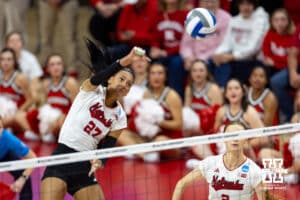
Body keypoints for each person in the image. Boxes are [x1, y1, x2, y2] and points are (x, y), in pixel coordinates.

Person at [41, 41, 148, 200]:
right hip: (61, 159)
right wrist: (127, 59)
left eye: (129, 84)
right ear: (110, 79)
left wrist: (100, 161)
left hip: (84, 166)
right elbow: (101, 76)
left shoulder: (120, 116)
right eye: (121, 79)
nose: (124, 85)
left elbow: (107, 147)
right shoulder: (90, 91)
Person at [172, 122, 266, 200]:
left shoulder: (254, 171)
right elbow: (181, 184)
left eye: (239, 135)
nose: (235, 139)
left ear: (245, 140)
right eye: (231, 135)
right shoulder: (210, 163)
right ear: (224, 139)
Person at [118, 62, 183, 162]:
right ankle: (145, 156)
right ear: (148, 76)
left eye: (160, 73)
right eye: (153, 73)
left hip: (168, 139)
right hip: (150, 139)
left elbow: (178, 124)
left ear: (165, 77)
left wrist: (158, 122)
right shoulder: (145, 94)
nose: (156, 77)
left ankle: (139, 152)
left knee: (160, 141)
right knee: (121, 133)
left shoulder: (171, 96)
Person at [15, 53, 79, 143]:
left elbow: (77, 108)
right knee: (20, 116)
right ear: (48, 69)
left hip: (65, 118)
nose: (56, 67)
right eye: (52, 64)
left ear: (63, 67)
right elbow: (46, 105)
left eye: (59, 64)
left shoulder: (70, 82)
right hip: (50, 118)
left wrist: (58, 121)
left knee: (61, 120)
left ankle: (49, 134)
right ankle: (41, 134)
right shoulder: (46, 84)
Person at [210, 0, 269, 86]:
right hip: (233, 58)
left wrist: (232, 56)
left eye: (248, 4)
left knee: (226, 67)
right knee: (212, 62)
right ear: (238, 6)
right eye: (242, 4)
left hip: (250, 59)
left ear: (253, 6)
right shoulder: (234, 20)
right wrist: (217, 54)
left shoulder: (260, 21)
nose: (245, 7)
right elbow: (227, 42)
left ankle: (222, 89)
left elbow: (254, 48)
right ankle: (217, 91)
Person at [149, 0, 189, 98]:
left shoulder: (185, 15)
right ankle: (152, 97)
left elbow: (186, 41)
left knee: (176, 63)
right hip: (161, 52)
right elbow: (154, 36)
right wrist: (155, 48)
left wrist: (166, 52)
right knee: (149, 60)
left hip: (178, 53)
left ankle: (176, 98)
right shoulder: (158, 15)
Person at [180, 0, 232, 70]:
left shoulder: (226, 18)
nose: (210, 5)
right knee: (177, 63)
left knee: (221, 62)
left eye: (213, 2)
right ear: (200, 3)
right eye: (206, 2)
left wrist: (201, 58)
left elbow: (222, 45)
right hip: (194, 56)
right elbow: (186, 44)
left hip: (213, 56)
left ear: (218, 2)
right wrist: (188, 57)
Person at [0, 115, 36, 200]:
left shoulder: (7, 137)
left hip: (4, 154)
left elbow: (33, 158)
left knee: (23, 175)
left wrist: (22, 179)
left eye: (0, 127)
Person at [38, 0, 79, 76]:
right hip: (46, 3)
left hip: (68, 3)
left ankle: (72, 69)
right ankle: (46, 66)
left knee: (69, 38)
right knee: (45, 38)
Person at [183, 60, 223, 135]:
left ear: (207, 72)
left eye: (201, 70)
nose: (198, 74)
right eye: (194, 71)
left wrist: (202, 129)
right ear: (191, 73)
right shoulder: (189, 88)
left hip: (208, 127)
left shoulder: (213, 89)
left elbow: (218, 116)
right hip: (193, 126)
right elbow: (187, 112)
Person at [270, 23, 300, 122]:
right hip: (298, 66)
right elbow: (292, 53)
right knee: (276, 81)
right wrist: (293, 73)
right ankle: (290, 117)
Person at [5, 31, 43, 104]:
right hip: (6, 92)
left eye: (17, 41)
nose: (15, 43)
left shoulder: (31, 58)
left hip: (25, 91)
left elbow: (35, 80)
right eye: (12, 41)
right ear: (7, 44)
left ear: (22, 44)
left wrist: (32, 94)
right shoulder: (2, 58)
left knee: (35, 95)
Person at [0, 48, 32, 128]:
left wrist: (18, 112)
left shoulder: (20, 78)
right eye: (2, 59)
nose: (5, 62)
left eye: (9, 59)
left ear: (14, 61)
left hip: (17, 115)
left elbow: (30, 100)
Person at [262, 8, 295, 78]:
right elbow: (265, 51)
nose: (279, 23)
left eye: (283, 19)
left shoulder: (293, 36)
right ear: (271, 21)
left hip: (289, 68)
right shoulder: (270, 33)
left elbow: (292, 59)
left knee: (276, 80)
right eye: (276, 20)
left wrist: (275, 62)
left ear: (288, 21)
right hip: (273, 65)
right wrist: (275, 61)